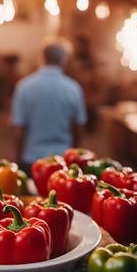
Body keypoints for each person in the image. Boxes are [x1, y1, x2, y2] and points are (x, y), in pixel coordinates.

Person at [11, 37, 87, 175]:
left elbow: (18, 129)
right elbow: (78, 128)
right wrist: (74, 157)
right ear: (64, 60)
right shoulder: (73, 88)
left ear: (41, 58)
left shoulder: (24, 87)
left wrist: (19, 158)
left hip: (31, 159)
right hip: (63, 160)